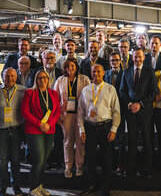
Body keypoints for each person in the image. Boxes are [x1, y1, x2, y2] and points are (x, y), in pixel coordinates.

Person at [78, 64, 121, 196]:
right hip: (90, 127)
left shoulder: (110, 89)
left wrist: (114, 129)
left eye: (98, 71)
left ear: (103, 73)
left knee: (106, 158)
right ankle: (91, 185)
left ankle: (105, 185)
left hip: (105, 127)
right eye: (93, 71)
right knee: (90, 158)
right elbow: (80, 111)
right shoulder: (86, 90)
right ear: (91, 73)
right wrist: (82, 129)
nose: (96, 74)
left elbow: (116, 111)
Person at [120, 48, 159, 178]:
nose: (137, 59)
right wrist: (130, 105)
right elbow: (122, 91)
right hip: (131, 112)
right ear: (132, 58)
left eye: (140, 57)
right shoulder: (126, 72)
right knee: (131, 140)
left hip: (145, 112)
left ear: (144, 57)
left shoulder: (150, 72)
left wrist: (140, 104)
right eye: (135, 57)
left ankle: (146, 168)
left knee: (147, 140)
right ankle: (130, 167)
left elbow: (154, 92)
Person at [22, 70, 61, 196]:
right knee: (38, 160)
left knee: (44, 161)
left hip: (49, 130)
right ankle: (32, 189)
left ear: (48, 79)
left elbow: (57, 112)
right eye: (39, 78)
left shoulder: (53, 93)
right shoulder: (30, 93)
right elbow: (25, 112)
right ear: (36, 80)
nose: (42, 80)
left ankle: (39, 186)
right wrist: (39, 124)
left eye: (44, 77)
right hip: (34, 130)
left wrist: (49, 124)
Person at [0, 68, 26, 196]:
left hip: (17, 130)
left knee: (16, 160)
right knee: (2, 160)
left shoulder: (23, 90)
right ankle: (2, 187)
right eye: (7, 76)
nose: (9, 78)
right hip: (1, 131)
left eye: (12, 76)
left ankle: (16, 185)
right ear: (3, 77)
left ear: (16, 77)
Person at [54, 57, 91, 178]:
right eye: (68, 66)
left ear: (76, 67)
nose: (70, 68)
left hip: (81, 114)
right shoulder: (60, 80)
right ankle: (68, 166)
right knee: (67, 141)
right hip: (66, 115)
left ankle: (79, 166)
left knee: (81, 141)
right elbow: (55, 100)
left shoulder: (84, 79)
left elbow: (90, 97)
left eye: (73, 66)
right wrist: (57, 115)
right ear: (65, 68)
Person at [104, 52, 126, 173]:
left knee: (121, 138)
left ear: (120, 61)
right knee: (109, 137)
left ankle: (121, 163)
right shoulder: (105, 74)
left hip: (120, 109)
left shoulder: (125, 74)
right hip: (107, 110)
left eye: (116, 60)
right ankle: (110, 162)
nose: (114, 62)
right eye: (112, 60)